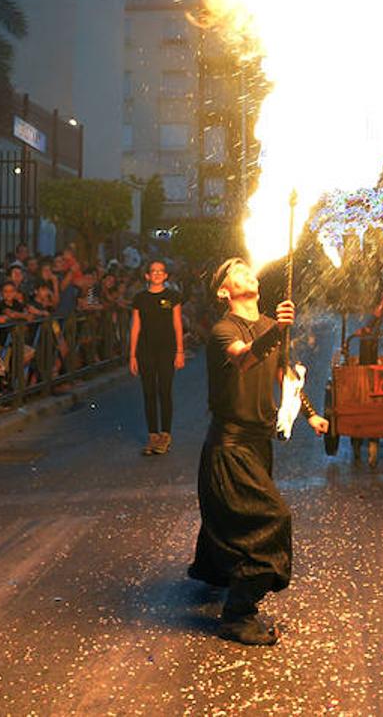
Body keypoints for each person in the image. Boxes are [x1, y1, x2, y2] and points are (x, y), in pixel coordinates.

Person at [189, 257, 327, 646]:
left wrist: (312, 415)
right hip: (228, 448)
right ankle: (237, 615)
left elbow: (286, 375)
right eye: (235, 271)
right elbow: (244, 358)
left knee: (239, 521)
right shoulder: (223, 329)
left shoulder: (269, 325)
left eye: (248, 268)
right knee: (271, 519)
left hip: (257, 445)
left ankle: (215, 574)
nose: (247, 271)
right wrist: (278, 331)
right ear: (223, 290)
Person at [129, 261, 185, 456]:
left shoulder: (172, 297)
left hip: (167, 350)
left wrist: (179, 351)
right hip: (145, 350)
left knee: (164, 391)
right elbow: (135, 327)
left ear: (166, 275)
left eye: (161, 271)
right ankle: (152, 435)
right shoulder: (140, 298)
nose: (157, 274)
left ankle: (165, 435)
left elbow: (177, 324)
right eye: (153, 271)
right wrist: (132, 355)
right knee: (149, 393)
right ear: (147, 276)